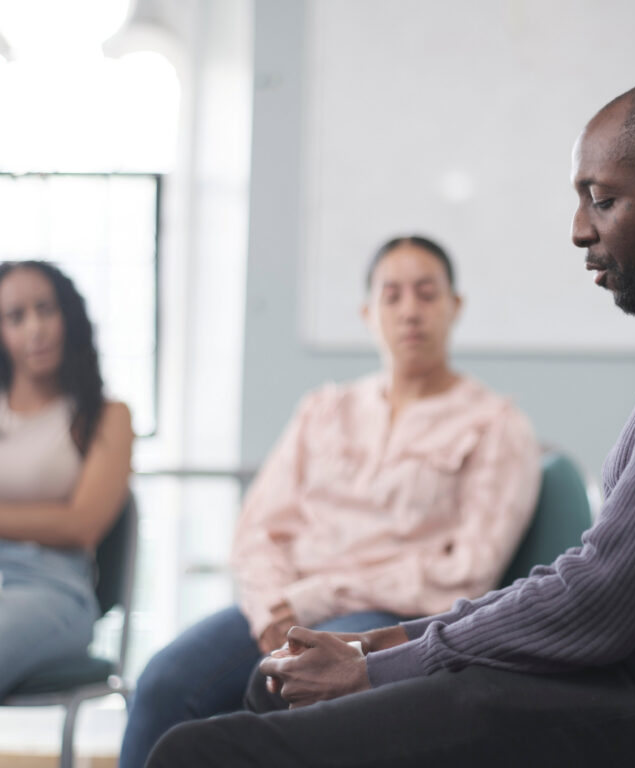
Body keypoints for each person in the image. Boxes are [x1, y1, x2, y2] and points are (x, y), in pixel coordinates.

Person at [147, 78, 635, 768]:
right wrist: (393, 642)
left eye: (602, 200)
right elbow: (601, 581)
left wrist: (382, 665)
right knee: (268, 693)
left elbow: (601, 601)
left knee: (199, 754)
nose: (579, 230)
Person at [121, 235, 541, 767]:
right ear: (368, 313)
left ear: (454, 306)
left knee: (294, 689)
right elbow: (259, 529)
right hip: (286, 603)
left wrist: (317, 598)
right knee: (164, 681)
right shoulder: (324, 409)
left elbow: (467, 574)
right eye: (392, 295)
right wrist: (272, 606)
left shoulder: (496, 425)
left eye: (426, 293)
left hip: (385, 619)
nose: (410, 310)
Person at [0, 261, 133, 697]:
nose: (35, 328)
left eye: (46, 309)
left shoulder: (107, 416)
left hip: (52, 590)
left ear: (68, 317)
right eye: (16, 316)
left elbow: (82, 524)